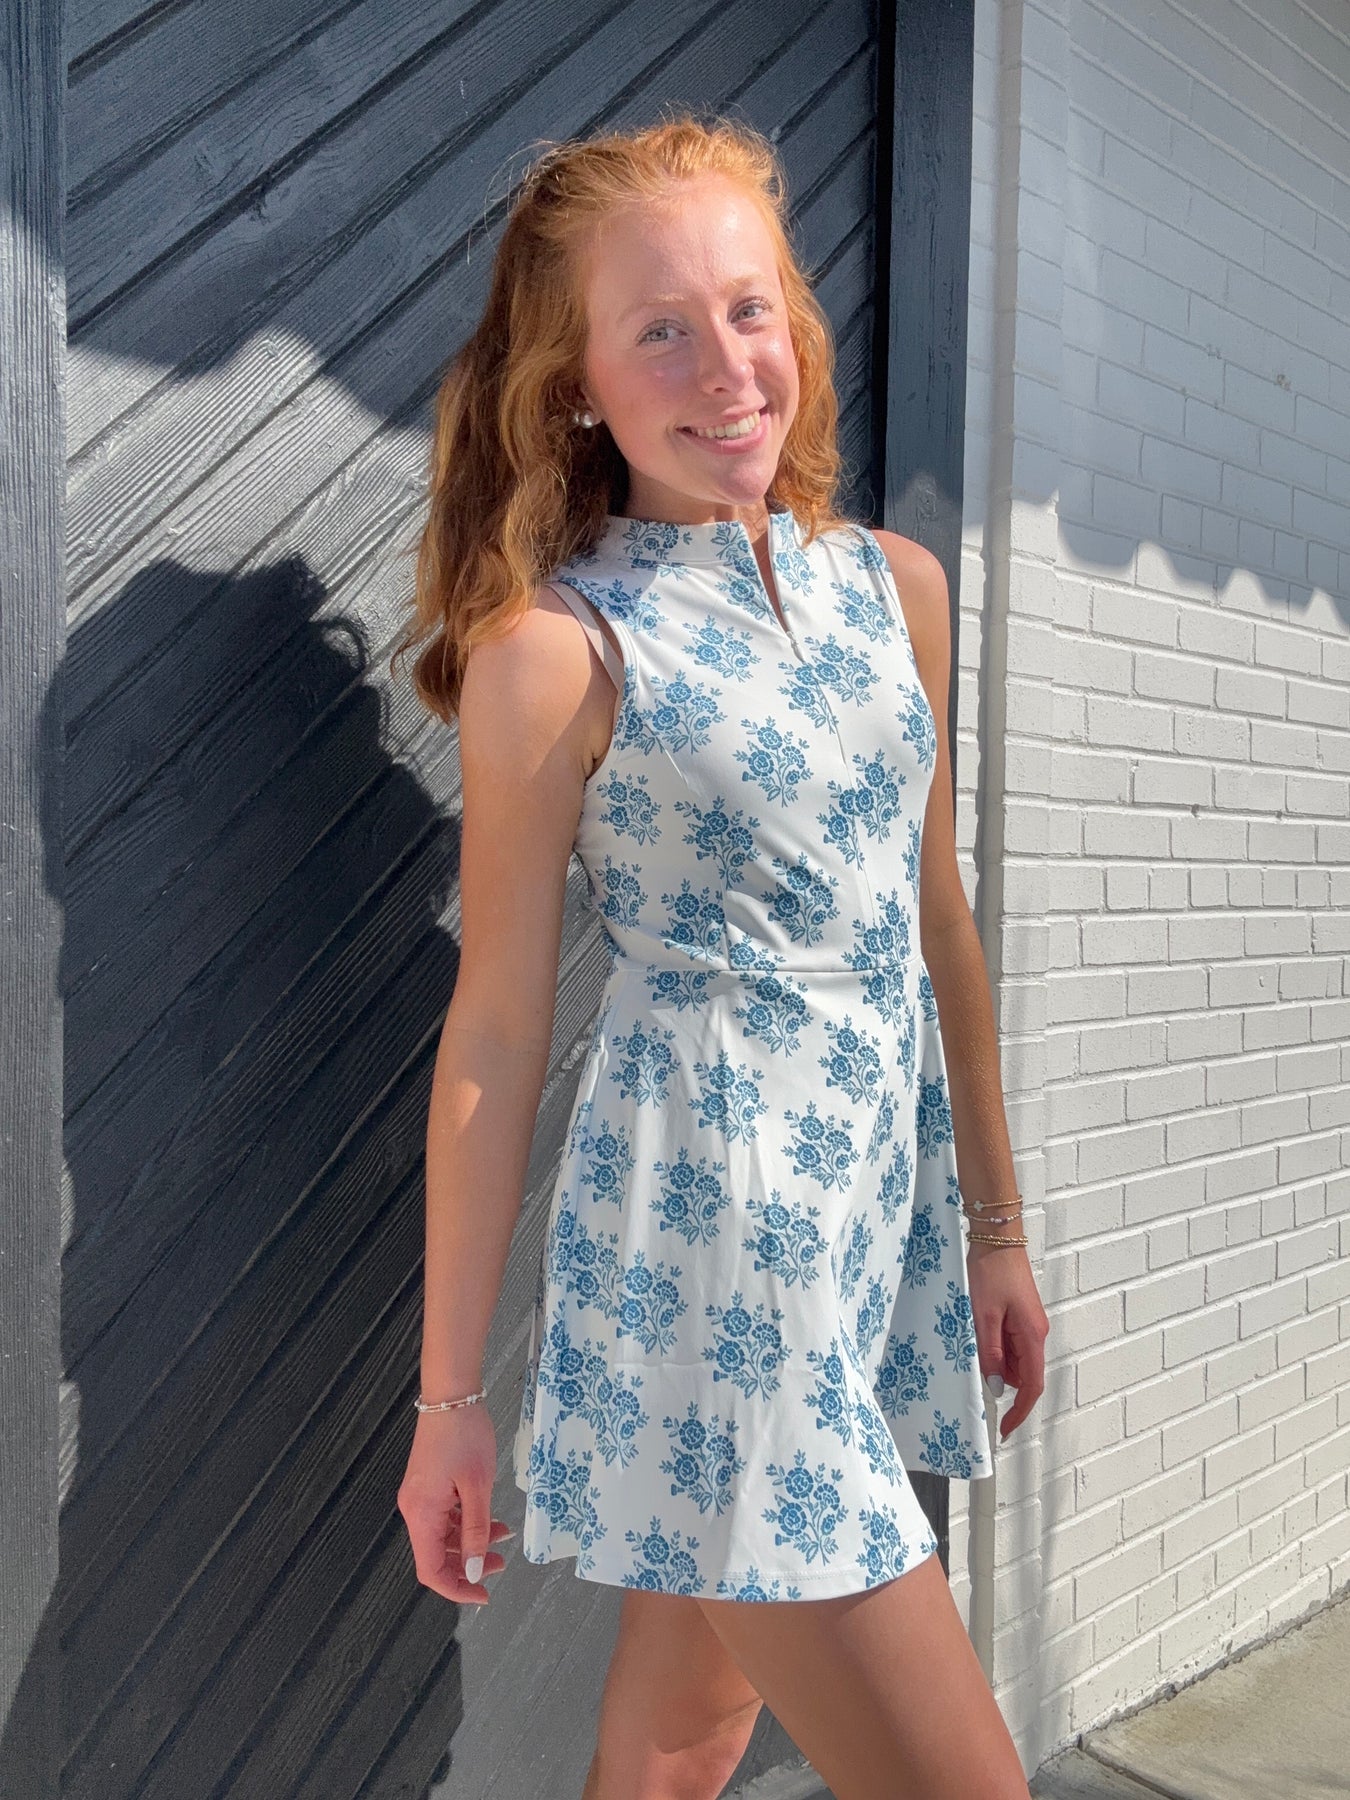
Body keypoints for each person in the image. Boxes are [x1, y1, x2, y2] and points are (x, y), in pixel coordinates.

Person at [393, 112, 1048, 1800]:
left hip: (863, 1213)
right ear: (576, 385)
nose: (725, 367)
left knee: (687, 1737)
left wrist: (990, 1227)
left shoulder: (893, 587)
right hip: (715, 1247)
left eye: (749, 310)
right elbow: (494, 1032)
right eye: (660, 331)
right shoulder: (557, 647)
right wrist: (449, 1402)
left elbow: (933, 918)